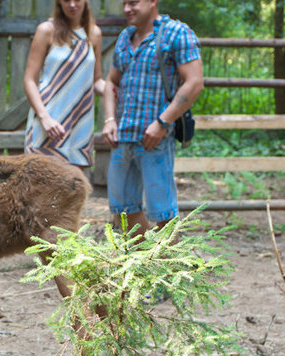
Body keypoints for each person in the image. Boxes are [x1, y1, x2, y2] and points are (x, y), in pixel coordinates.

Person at [102, 0, 203, 237]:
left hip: (156, 140)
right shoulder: (125, 37)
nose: (128, 9)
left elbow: (194, 82)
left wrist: (161, 123)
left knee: (163, 214)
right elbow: (110, 82)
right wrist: (109, 120)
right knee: (122, 212)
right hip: (123, 138)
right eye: (124, 3)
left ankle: (171, 269)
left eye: (134, 2)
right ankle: (144, 265)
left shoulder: (176, 33)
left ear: (152, 1)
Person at [24, 0, 105, 169]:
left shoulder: (94, 34)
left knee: (74, 190)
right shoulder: (46, 30)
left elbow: (97, 81)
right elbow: (29, 80)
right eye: (67, 0)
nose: (72, 4)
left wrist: (117, 91)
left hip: (80, 126)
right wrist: (45, 118)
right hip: (48, 124)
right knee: (40, 190)